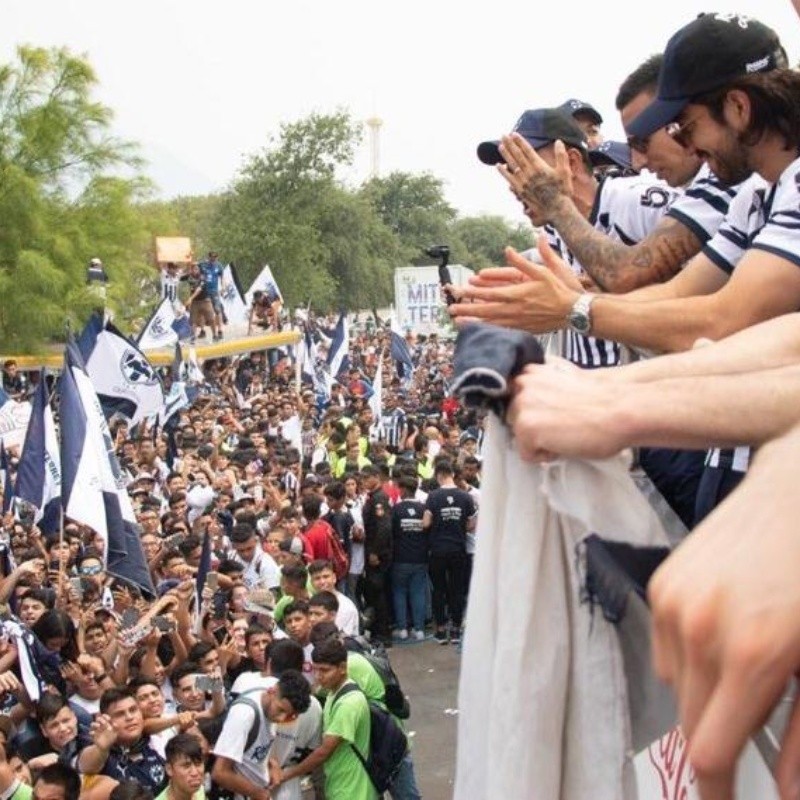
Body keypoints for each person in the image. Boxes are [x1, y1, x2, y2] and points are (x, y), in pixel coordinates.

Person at [269, 638, 377, 800]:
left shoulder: (349, 703)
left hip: (353, 790)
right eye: (315, 670)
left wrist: (285, 774)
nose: (318, 676)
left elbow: (324, 752)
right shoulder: (333, 692)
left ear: (342, 668)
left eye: (325, 671)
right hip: (340, 785)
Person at [211, 670, 311, 800]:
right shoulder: (244, 715)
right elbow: (220, 773)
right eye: (281, 710)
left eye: (290, 715)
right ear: (271, 691)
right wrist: (258, 794)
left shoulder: (273, 691)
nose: (282, 718)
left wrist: (272, 764)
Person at [423, 461, 476, 645]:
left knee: (439, 589)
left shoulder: (433, 497)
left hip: (437, 550)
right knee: (457, 589)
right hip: (458, 549)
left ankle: (440, 630)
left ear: (438, 475)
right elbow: (471, 525)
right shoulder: (465, 497)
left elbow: (426, 523)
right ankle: (455, 629)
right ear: (452, 474)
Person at [157, 733, 206, 800]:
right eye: (186, 766)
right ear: (169, 769)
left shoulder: (201, 791)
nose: (194, 773)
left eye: (198, 764)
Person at [198, 252, 225, 341]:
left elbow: (222, 278)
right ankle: (202, 331)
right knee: (202, 311)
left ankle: (220, 330)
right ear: (209, 257)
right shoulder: (203, 264)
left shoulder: (219, 266)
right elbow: (194, 266)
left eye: (215, 257)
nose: (214, 259)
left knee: (217, 309)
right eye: (212, 257)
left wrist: (223, 287)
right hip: (204, 291)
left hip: (214, 291)